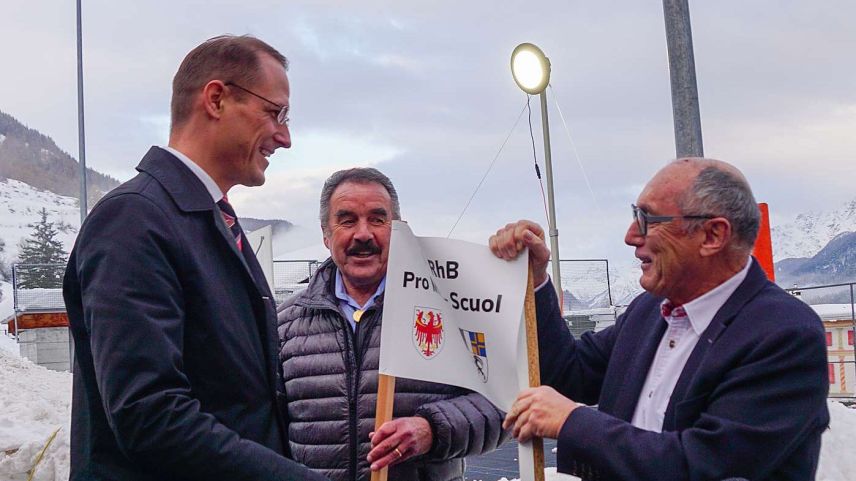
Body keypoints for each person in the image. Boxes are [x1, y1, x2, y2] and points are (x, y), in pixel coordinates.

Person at [63, 35, 327, 481]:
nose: (284, 137)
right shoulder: (135, 219)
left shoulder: (206, 218)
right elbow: (149, 414)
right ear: (217, 99)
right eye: (275, 113)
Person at [491, 158, 829, 480]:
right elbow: (569, 374)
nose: (630, 236)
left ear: (712, 236)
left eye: (647, 219)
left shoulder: (784, 334)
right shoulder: (648, 311)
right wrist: (535, 280)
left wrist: (571, 421)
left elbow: (706, 466)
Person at [276, 167, 508, 481]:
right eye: (347, 220)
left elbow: (502, 404)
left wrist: (433, 429)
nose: (362, 234)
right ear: (325, 234)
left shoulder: (450, 308)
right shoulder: (286, 324)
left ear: (397, 228)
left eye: (377, 219)